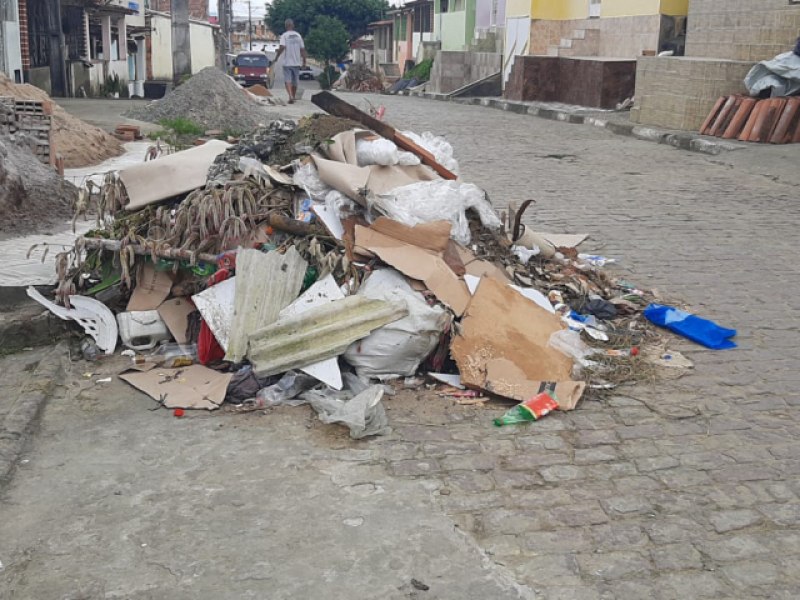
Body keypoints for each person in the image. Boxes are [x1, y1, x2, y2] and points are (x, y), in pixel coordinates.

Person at [274, 19, 307, 104]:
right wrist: (304, 61)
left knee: (288, 80)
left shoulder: (284, 36)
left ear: (285, 26)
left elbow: (282, 47)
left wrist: (277, 56)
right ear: (293, 25)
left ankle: (291, 96)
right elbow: (302, 49)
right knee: (295, 81)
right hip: (296, 62)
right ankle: (293, 96)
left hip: (287, 62)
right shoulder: (298, 35)